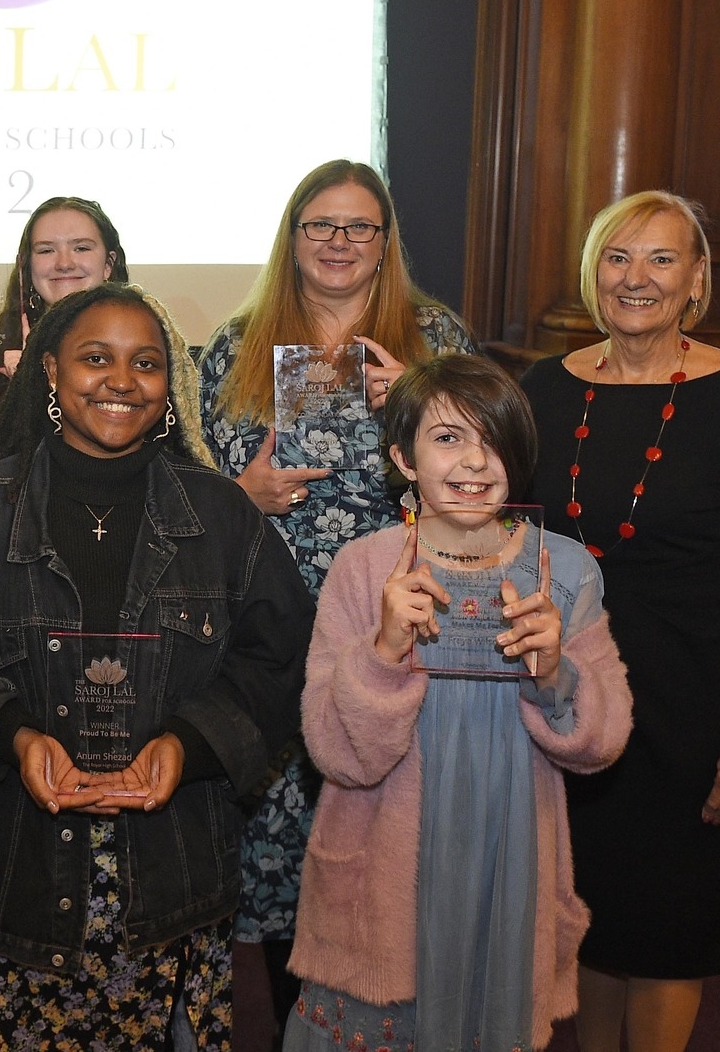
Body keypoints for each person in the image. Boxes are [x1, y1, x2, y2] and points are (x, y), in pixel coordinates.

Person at [0, 282, 313, 1050]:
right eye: (97, 359)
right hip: (11, 878)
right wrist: (15, 738)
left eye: (146, 363)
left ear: (168, 385)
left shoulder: (222, 517)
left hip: (168, 879)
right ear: (51, 370)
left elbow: (277, 664)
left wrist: (186, 747)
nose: (122, 381)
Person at [518, 191, 720, 1052]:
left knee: (672, 937)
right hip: (576, 708)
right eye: (617, 256)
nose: (635, 277)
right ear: (592, 273)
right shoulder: (544, 386)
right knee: (593, 925)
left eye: (660, 259)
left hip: (698, 713)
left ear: (696, 281)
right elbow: (502, 520)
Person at [196, 158, 476, 1026]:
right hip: (272, 631)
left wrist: (420, 403)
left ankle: (397, 1022)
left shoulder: (437, 341)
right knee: (286, 849)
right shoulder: (235, 345)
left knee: (391, 840)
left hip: (394, 625)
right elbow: (191, 497)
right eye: (321, 225)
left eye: (360, 227)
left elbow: (483, 477)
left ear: (387, 243)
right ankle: (299, 1030)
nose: (340, 243)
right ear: (293, 237)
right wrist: (241, 498)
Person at [287, 354, 633, 1051]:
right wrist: (383, 655)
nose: (474, 459)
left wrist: (554, 671)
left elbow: (605, 739)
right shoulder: (364, 568)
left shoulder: (563, 569)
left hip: (508, 848)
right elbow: (335, 753)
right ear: (404, 459)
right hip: (385, 844)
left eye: (492, 437)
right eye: (447, 437)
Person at [0, 196, 129, 481]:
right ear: (27, 265)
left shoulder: (141, 348)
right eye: (46, 250)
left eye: (81, 248)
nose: (64, 263)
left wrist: (38, 386)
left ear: (108, 263)